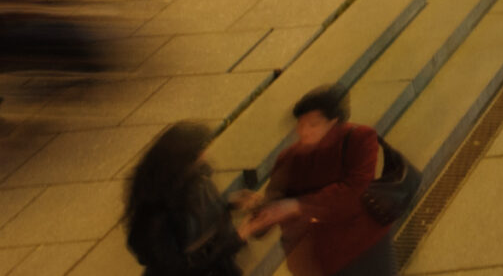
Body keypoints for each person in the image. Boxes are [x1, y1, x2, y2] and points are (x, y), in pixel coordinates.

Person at [239, 87, 393, 276]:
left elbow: (354, 190)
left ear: (333, 122)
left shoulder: (359, 138)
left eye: (313, 124)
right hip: (317, 261)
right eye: (301, 124)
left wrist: (297, 206)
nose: (304, 131)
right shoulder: (289, 158)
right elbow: (276, 202)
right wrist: (258, 212)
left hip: (363, 247)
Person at [125, 122, 245, 276]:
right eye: (200, 150)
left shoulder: (196, 180)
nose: (205, 154)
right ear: (184, 158)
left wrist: (230, 204)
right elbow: (181, 269)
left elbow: (201, 218)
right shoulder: (155, 215)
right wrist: (239, 236)